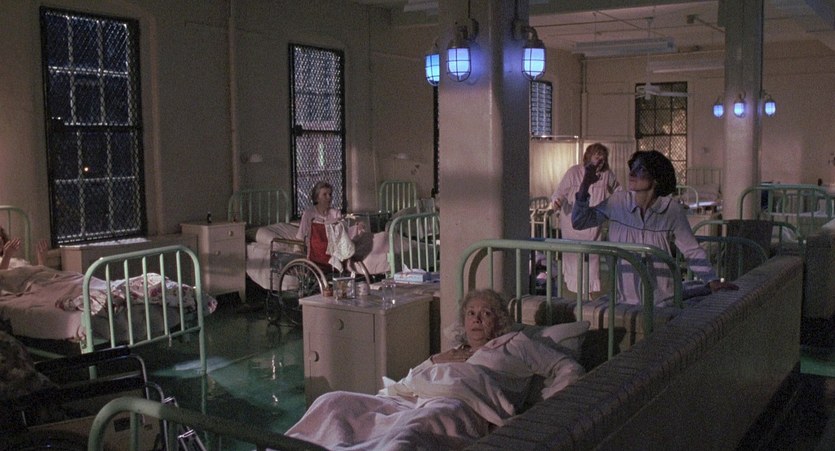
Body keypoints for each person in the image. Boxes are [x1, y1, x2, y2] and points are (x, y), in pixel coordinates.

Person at [283, 288, 584, 450]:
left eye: (486, 313)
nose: (476, 319)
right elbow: (408, 381)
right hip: (411, 397)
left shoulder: (516, 344)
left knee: (409, 434)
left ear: (500, 321)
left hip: (461, 404)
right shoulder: (453, 352)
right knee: (333, 401)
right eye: (471, 313)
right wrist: (435, 361)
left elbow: (566, 366)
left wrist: (545, 406)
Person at [572, 150, 737, 305]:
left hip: (663, 301)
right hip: (626, 300)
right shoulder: (618, 202)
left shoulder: (671, 210)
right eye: (632, 168)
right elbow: (579, 221)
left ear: (656, 178)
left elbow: (691, 250)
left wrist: (712, 280)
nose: (632, 173)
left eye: (641, 169)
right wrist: (585, 184)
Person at [550, 143, 620, 295]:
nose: (600, 160)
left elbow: (618, 190)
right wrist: (557, 202)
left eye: (603, 158)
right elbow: (559, 192)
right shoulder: (574, 172)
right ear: (589, 156)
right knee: (573, 260)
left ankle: (589, 294)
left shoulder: (606, 174)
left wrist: (618, 204)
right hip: (572, 223)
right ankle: (573, 294)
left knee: (591, 262)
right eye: (597, 156)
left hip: (592, 226)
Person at [295, 181, 366, 270]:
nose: (329, 197)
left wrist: (356, 228)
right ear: (317, 198)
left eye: (330, 194)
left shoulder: (335, 213)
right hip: (317, 253)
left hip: (336, 251)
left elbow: (344, 234)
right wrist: (298, 253)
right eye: (324, 195)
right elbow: (300, 236)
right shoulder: (309, 214)